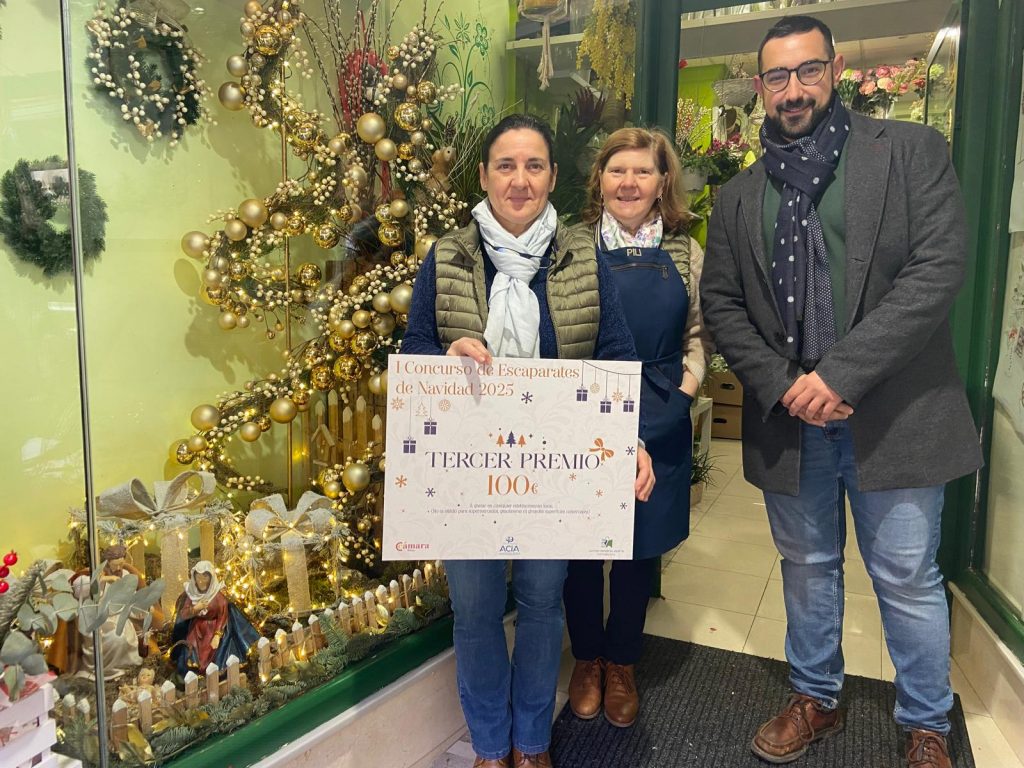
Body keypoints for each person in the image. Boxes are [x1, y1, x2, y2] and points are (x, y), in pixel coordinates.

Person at [700, 15, 982, 768]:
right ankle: (816, 697)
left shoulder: (912, 152)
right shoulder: (739, 196)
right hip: (791, 420)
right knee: (807, 566)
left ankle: (926, 722)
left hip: (897, 413)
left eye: (807, 71)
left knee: (906, 577)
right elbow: (721, 305)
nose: (793, 91)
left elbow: (937, 272)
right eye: (777, 77)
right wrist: (788, 387)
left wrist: (840, 375)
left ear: (837, 67)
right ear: (759, 86)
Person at [401, 114, 654, 768]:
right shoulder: (448, 256)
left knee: (543, 605)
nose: (520, 180)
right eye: (505, 165)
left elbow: (615, 356)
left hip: (552, 471)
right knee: (479, 611)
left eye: (533, 165)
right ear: (483, 175)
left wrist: (631, 441)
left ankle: (531, 743)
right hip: (467, 472)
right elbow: (414, 348)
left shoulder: (580, 257)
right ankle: (490, 747)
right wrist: (444, 351)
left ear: (553, 177)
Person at [562, 127, 711, 728]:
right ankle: (586, 658)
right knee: (578, 549)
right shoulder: (569, 247)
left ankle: (621, 663)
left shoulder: (686, 253)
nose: (629, 182)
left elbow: (699, 339)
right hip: (582, 410)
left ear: (661, 182)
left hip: (662, 406)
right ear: (599, 179)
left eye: (642, 172)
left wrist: (681, 402)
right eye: (617, 170)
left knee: (636, 549)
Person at [170, 561, 260, 677]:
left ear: (211, 578)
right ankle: (195, 673)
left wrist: (217, 635)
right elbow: (183, 614)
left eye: (205, 577)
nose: (201, 580)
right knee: (192, 652)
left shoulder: (218, 596)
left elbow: (223, 615)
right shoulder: (191, 594)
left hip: (213, 628)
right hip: (196, 630)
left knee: (214, 652)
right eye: (198, 577)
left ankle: (215, 672)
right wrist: (195, 609)